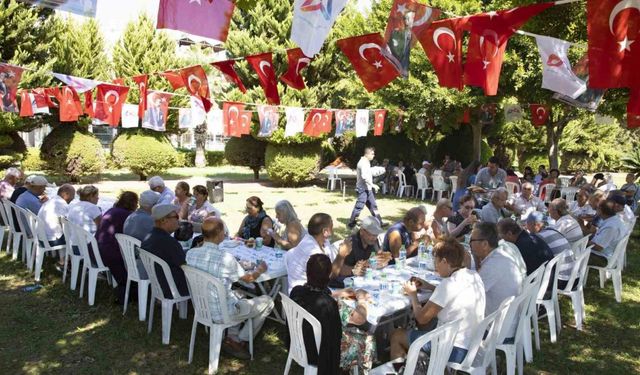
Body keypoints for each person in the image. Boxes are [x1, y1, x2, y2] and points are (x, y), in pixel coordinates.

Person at [186, 217, 274, 360]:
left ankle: (232, 336)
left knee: (238, 294)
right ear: (220, 233)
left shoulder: (191, 253)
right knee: (268, 301)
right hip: (222, 312)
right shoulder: (225, 258)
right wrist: (260, 269)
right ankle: (239, 339)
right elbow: (249, 279)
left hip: (201, 306)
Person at [390, 237, 485, 367]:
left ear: (445, 262)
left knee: (397, 335)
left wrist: (413, 295)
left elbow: (421, 318)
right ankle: (417, 365)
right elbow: (454, 295)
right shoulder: (472, 275)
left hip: (454, 349)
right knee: (426, 327)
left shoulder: (448, 284)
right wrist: (429, 286)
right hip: (472, 343)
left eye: (436, 263)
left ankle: (403, 369)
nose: (435, 267)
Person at [289, 254, 342, 375]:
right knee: (365, 339)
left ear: (308, 272)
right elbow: (336, 337)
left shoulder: (296, 291)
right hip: (317, 353)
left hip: (296, 342)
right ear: (328, 276)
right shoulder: (327, 305)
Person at [285, 213, 352, 292]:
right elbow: (328, 277)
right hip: (304, 294)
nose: (333, 230)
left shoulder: (323, 242)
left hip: (315, 289)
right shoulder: (313, 251)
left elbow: (333, 266)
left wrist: (353, 269)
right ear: (325, 231)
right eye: (331, 227)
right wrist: (341, 256)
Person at [469, 222, 524, 316]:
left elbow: (468, 296)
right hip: (510, 317)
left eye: (472, 240)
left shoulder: (492, 266)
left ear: (485, 244)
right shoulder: (501, 255)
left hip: (495, 326)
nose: (470, 244)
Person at [96, 191, 139, 303]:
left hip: (99, 247)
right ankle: (127, 294)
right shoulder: (126, 215)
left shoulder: (112, 210)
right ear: (133, 203)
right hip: (111, 252)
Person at [141, 204, 189, 298]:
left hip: (159, 284)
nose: (178, 220)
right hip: (174, 288)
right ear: (164, 220)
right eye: (176, 217)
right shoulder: (168, 242)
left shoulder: (150, 236)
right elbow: (185, 265)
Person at [37, 184, 75, 267]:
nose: (73, 198)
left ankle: (64, 260)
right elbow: (67, 225)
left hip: (41, 236)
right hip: (51, 240)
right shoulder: (61, 204)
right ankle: (68, 262)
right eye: (73, 195)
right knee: (80, 238)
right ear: (66, 194)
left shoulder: (52, 200)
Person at [347, 147, 385, 229]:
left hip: (368, 189)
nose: (373, 155)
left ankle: (379, 222)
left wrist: (376, 170)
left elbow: (367, 172)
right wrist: (373, 185)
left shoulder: (366, 162)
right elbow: (364, 176)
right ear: (367, 154)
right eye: (372, 154)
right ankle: (351, 224)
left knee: (373, 206)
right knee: (359, 206)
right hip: (362, 189)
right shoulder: (363, 162)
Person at [588, 199, 627, 266]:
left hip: (602, 257)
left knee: (572, 252)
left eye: (597, 208)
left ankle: (573, 275)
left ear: (600, 209)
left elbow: (598, 247)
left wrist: (582, 242)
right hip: (604, 253)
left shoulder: (610, 227)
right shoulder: (613, 220)